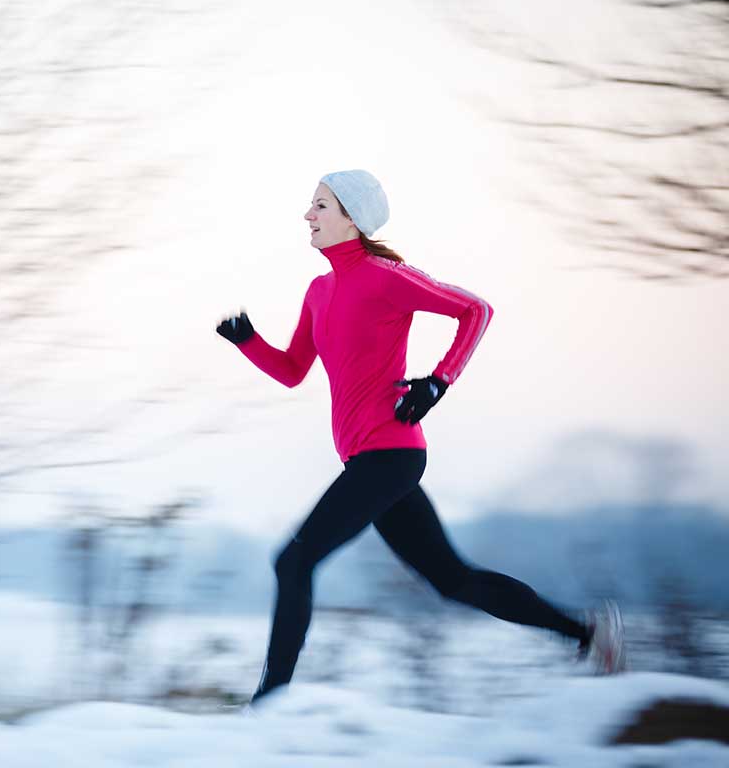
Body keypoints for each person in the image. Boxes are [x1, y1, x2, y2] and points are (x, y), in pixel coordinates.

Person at [216, 169, 626, 706]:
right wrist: (248, 341)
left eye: (320, 206)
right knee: (453, 580)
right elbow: (294, 369)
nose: (308, 215)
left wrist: (439, 381)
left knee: (293, 562)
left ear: (351, 219)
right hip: (366, 460)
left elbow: (476, 310)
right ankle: (590, 635)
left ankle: (269, 704)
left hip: (390, 454)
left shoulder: (387, 276)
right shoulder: (319, 291)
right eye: (311, 206)